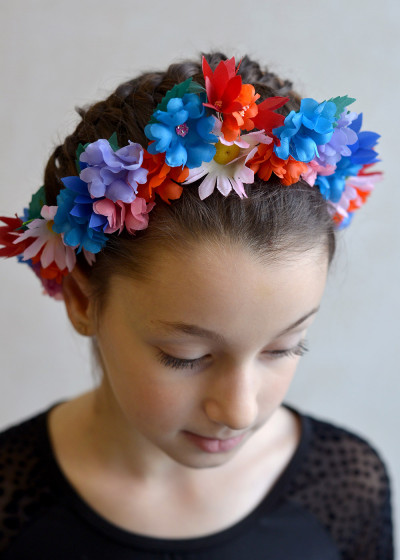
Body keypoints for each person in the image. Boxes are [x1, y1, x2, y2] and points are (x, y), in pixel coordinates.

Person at [0, 52, 393, 559]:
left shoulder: (346, 487)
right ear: (80, 298)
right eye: (185, 356)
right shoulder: (12, 502)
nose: (239, 410)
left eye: (285, 348)